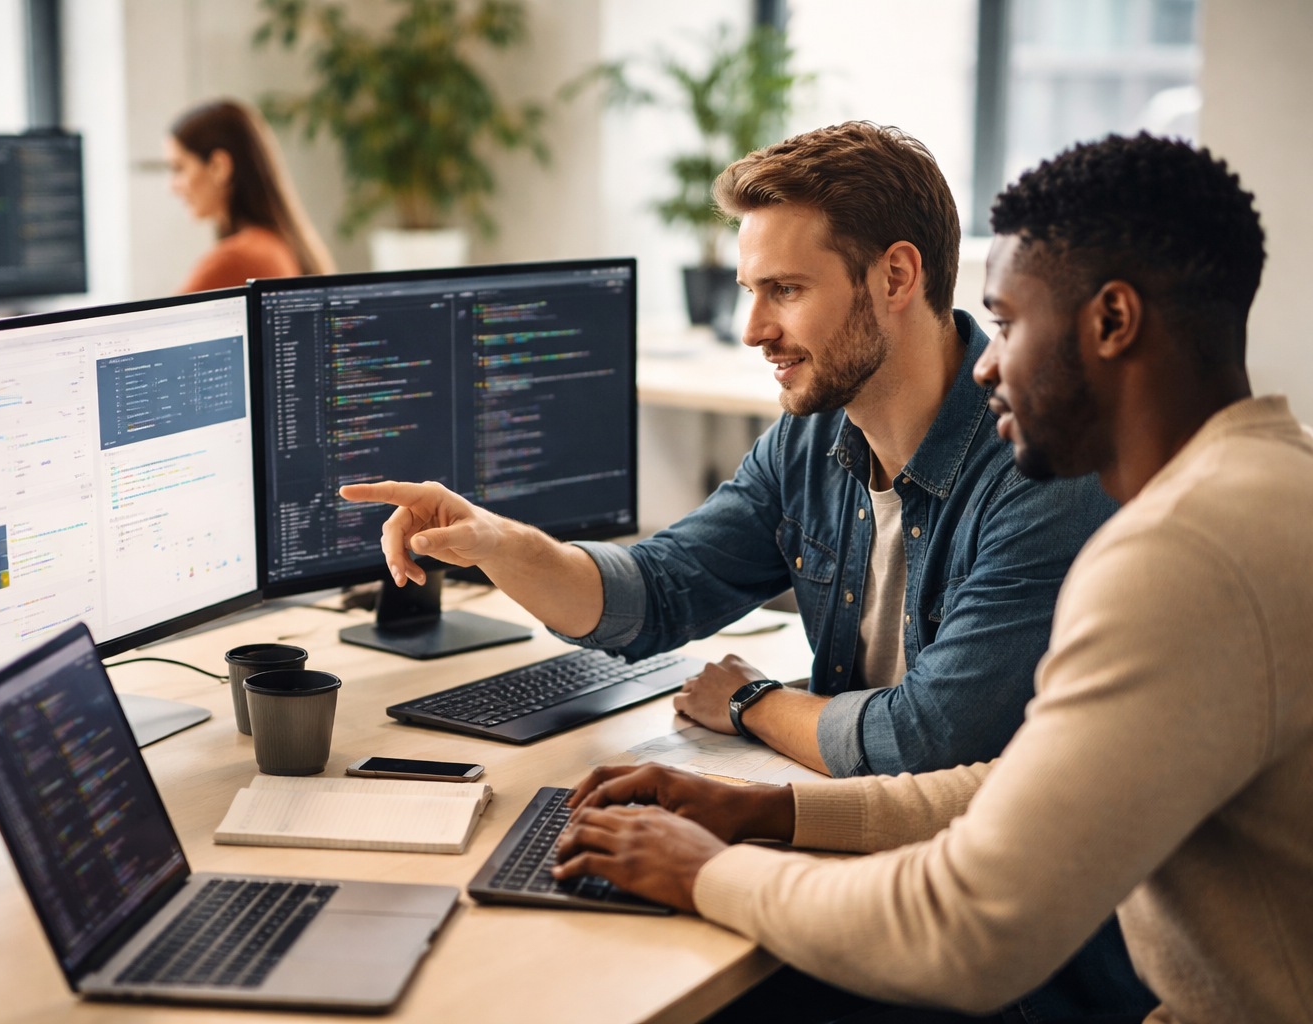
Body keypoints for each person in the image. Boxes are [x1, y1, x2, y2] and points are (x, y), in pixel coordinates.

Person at [344, 123, 1150, 1017]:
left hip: (1016, 965)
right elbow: (663, 589)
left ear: (895, 276)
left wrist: (751, 702)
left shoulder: (1039, 467)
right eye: (749, 291)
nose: (754, 328)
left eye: (785, 290)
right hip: (862, 857)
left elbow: (930, 743)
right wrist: (500, 542)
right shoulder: (811, 435)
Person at [552, 133, 1312, 1024]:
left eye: (1010, 322)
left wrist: (703, 868)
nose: (987, 364)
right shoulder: (1264, 489)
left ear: (1111, 322)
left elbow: (966, 930)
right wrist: (761, 814)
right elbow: (1022, 787)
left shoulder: (1182, 552)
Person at [167, 98, 334, 292]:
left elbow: (160, 322)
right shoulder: (275, 246)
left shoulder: (238, 259)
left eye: (179, 168)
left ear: (218, 167)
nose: (171, 186)